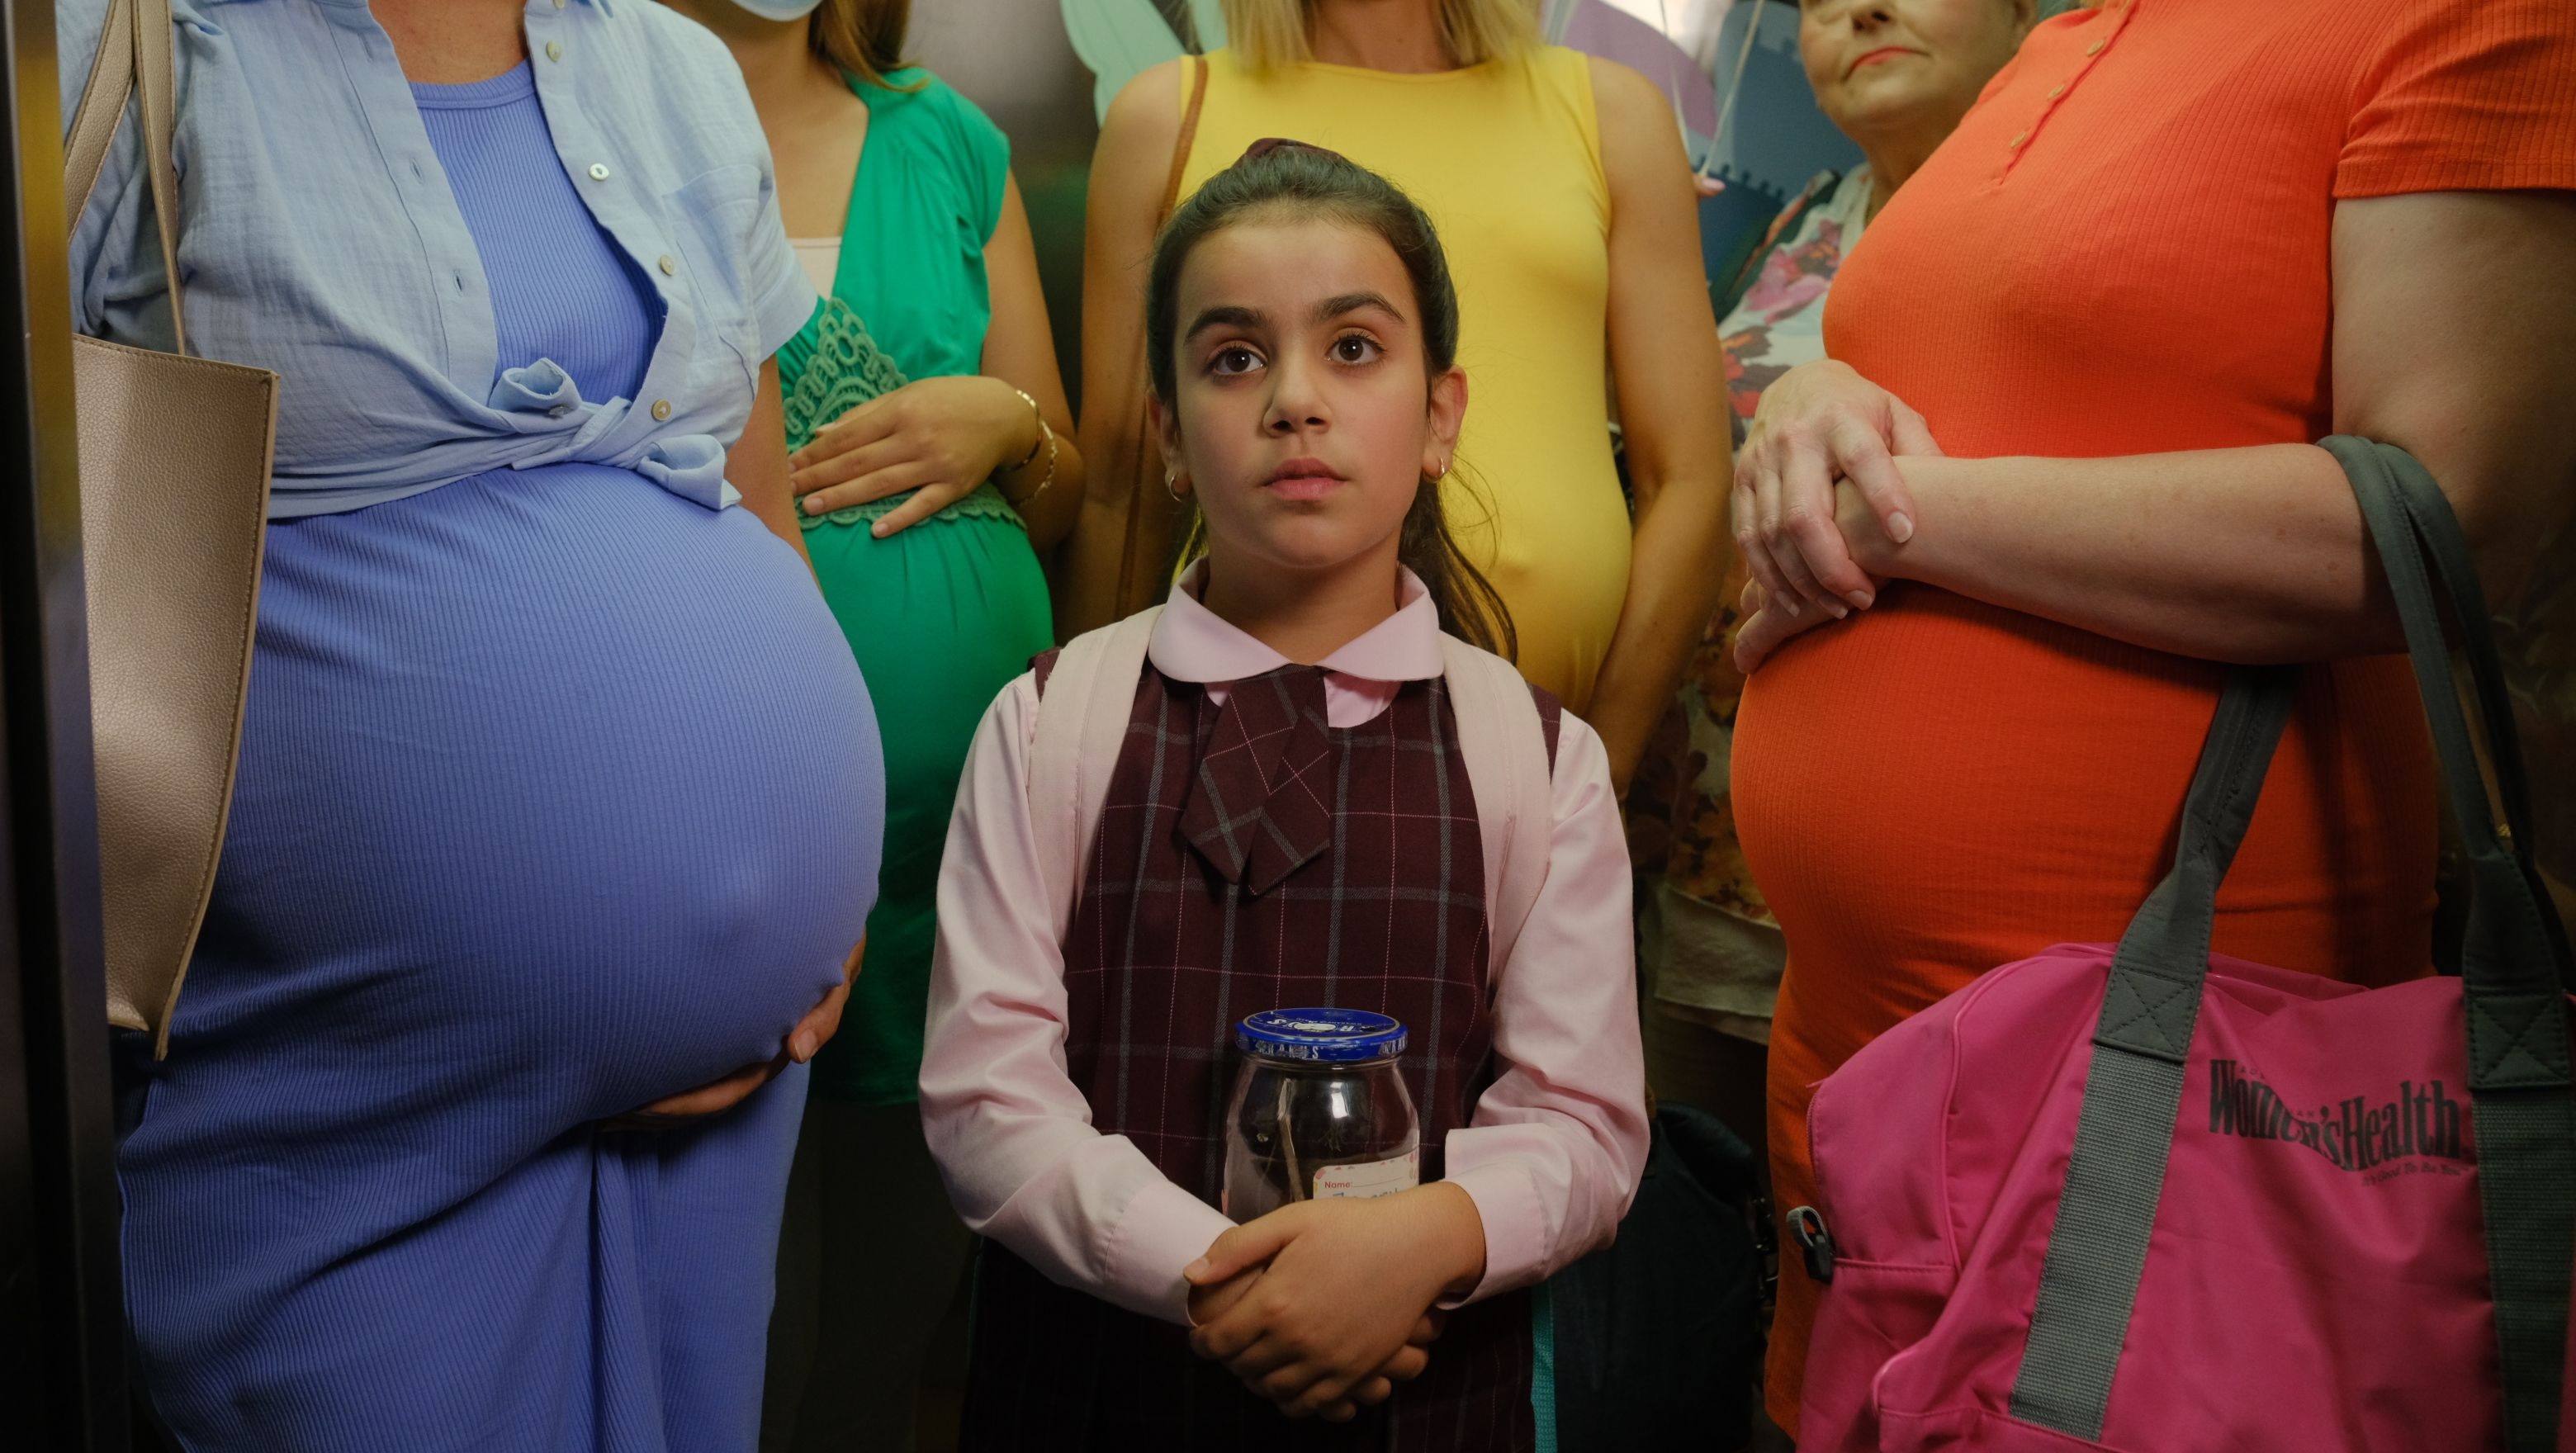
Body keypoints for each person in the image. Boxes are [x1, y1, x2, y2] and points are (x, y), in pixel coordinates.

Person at [1716, 0, 2576, 1435]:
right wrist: (1819, 386)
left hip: (2158, 1084)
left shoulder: (2455, 18)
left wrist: (1904, 525)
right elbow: (1987, 357)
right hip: (1856, 1062)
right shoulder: (2064, 43)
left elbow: (2443, 524)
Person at [65, 0, 883, 1446]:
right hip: (340, 1115)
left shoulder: (675, 68)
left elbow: (755, 502)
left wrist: (823, 889)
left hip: (729, 1101)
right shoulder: (105, 44)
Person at [919, 142, 1650, 1449]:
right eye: (1234, 357)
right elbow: (989, 1102)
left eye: (1354, 349)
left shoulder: (1540, 760)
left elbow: (1581, 1126)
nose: (1295, 401)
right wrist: (1229, 1285)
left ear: (1442, 416)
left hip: (1429, 1403)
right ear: (1168, 434)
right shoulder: (1048, 724)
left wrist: (1420, 1247)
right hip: (1092, 1395)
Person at [661, 3, 1084, 1446]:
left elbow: (1064, 485)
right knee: (728, 1289)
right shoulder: (590, 126)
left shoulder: (950, 142)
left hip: (957, 836)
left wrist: (1008, 423)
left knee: (897, 1293)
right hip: (706, 812)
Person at [1064, 0, 1731, 793]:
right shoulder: (1165, 115)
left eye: (1352, 348)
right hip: (1220, 756)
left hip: (1555, 770)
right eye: (1240, 359)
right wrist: (1087, 767)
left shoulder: (1615, 114)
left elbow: (1690, 479)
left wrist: (1596, 775)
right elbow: (1120, 490)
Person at [1631, 0, 2033, 1205]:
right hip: (1714, 858)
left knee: (1914, 1234)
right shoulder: (1804, 218)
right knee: (1697, 1240)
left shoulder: (2068, 219)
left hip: (1945, 885)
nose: (1859, 9)